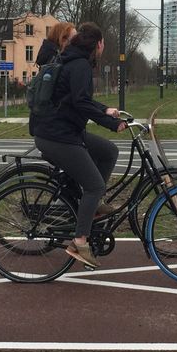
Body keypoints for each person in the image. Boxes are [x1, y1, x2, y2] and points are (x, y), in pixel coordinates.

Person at [29, 22, 126, 268]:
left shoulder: (72, 60)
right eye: (104, 43)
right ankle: (79, 242)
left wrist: (105, 110)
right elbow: (82, 102)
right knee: (94, 185)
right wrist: (110, 123)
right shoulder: (80, 64)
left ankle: (91, 207)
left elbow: (78, 98)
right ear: (98, 44)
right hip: (57, 136)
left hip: (61, 130)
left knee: (108, 151)